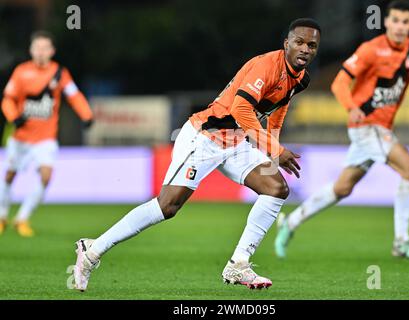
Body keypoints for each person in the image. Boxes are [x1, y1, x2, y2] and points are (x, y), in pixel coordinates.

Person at [70, 18, 321, 292]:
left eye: (312, 45)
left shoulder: (300, 79)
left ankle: (239, 263)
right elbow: (240, 110)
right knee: (167, 207)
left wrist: (273, 148)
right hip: (205, 136)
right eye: (299, 42)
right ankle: (92, 250)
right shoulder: (266, 66)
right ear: (286, 43)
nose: (305, 49)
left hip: (236, 142)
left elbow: (278, 110)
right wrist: (275, 150)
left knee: (276, 188)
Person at [275, 0, 409, 260]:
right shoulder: (371, 49)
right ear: (387, 22)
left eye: (406, 22)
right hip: (366, 125)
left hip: (379, 129)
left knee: (343, 188)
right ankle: (401, 242)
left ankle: (291, 222)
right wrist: (351, 107)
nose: (400, 27)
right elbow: (340, 83)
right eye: (396, 21)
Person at [0, 31, 94, 237]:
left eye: (45, 48)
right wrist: (13, 116)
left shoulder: (60, 73)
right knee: (9, 175)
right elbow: (7, 99)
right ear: (31, 50)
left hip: (46, 138)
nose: (41, 52)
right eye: (37, 48)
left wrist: (86, 115)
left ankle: (22, 218)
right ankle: (2, 215)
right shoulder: (21, 72)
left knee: (46, 176)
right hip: (21, 137)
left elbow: (74, 95)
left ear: (52, 51)